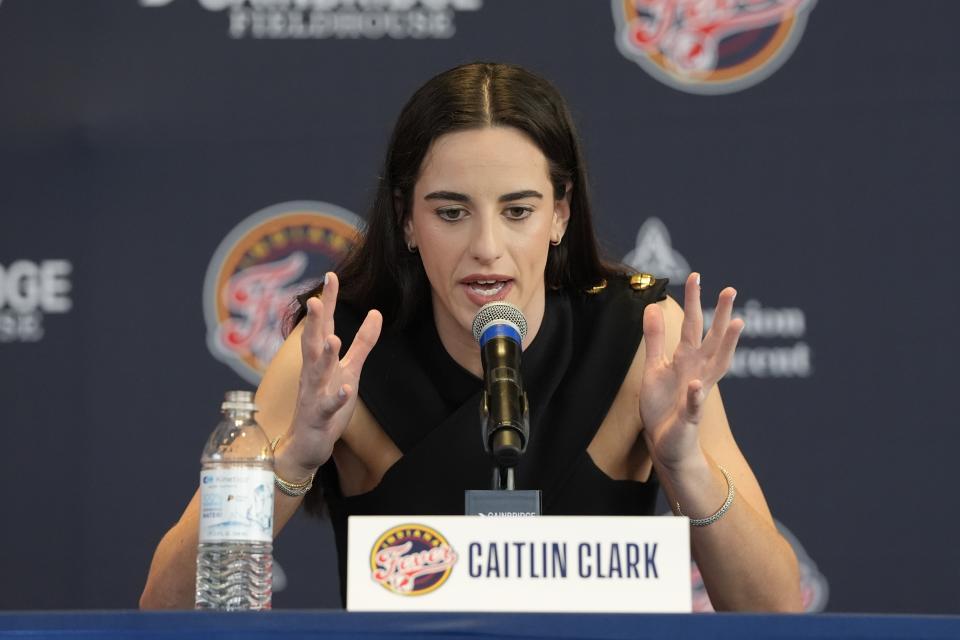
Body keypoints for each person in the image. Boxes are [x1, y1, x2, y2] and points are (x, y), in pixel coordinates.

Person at [140, 62, 802, 611]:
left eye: (517, 211)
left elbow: (777, 612)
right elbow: (164, 608)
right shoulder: (342, 349)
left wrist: (685, 464)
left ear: (560, 215)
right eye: (451, 212)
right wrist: (291, 463)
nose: (487, 249)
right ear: (404, 220)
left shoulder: (642, 336)